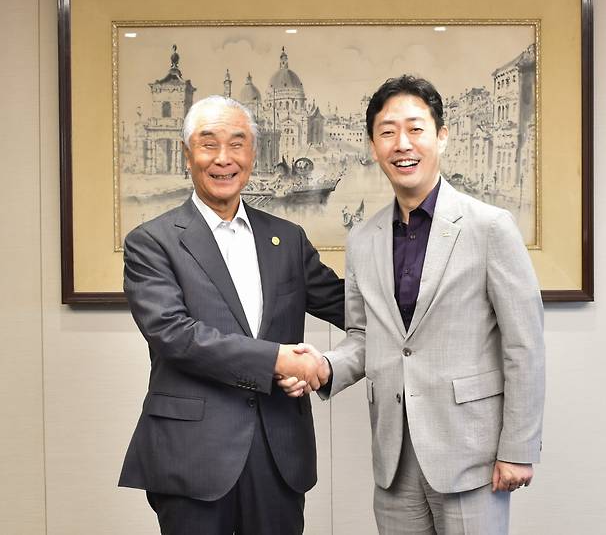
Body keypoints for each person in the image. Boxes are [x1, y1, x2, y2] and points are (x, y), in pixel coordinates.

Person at [281, 75, 544, 534]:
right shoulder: (363, 239)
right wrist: (323, 366)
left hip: (472, 455)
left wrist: (518, 448)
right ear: (373, 145)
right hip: (394, 456)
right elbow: (366, 337)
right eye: (387, 132)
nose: (402, 144)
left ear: (441, 136)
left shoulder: (490, 228)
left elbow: (524, 346)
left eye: (416, 129)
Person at [119, 95, 343, 535]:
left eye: (237, 144)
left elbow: (350, 304)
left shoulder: (288, 238)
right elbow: (174, 334)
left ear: (253, 154)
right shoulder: (152, 242)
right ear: (188, 155)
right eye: (208, 144)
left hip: (279, 452)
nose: (224, 158)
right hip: (193, 454)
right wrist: (279, 360)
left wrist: (432, 299)